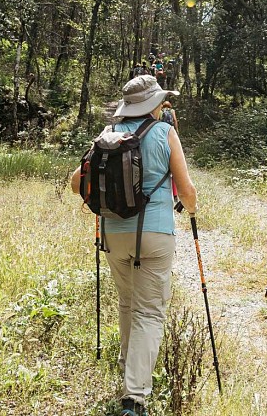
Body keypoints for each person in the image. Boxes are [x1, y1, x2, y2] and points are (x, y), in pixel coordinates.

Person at [70, 75, 199, 416]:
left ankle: (128, 364)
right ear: (154, 104)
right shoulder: (164, 132)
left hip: (114, 233)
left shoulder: (107, 136)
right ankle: (135, 396)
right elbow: (186, 190)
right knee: (150, 312)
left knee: (127, 303)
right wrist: (193, 208)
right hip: (155, 235)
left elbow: (75, 183)